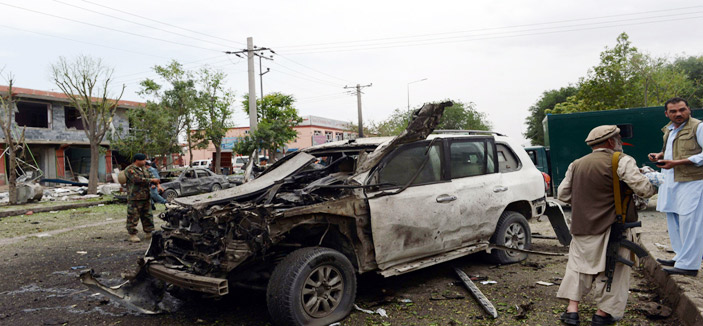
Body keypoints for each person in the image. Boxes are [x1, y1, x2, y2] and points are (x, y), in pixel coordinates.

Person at [556, 125, 655, 326]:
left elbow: (562, 195)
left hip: (582, 227)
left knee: (578, 268)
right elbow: (644, 189)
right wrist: (654, 180)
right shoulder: (622, 160)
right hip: (615, 226)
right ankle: (602, 314)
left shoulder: (576, 164)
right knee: (615, 270)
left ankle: (572, 312)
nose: (620, 142)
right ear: (611, 142)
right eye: (618, 138)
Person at [648, 97, 703, 276]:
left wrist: (678, 162)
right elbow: (673, 149)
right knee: (674, 218)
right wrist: (660, 154)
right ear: (667, 113)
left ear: (689, 109)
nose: (678, 114)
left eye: (682, 110)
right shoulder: (669, 130)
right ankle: (680, 257)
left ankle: (690, 265)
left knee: (691, 222)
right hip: (672, 179)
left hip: (692, 181)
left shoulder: (698, 127)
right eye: (673, 111)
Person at [124, 153, 160, 243]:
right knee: (133, 216)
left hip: (146, 196)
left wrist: (155, 183)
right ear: (137, 160)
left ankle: (149, 232)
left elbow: (150, 177)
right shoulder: (130, 169)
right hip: (135, 197)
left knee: (147, 215)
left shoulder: (144, 169)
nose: (145, 161)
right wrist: (152, 180)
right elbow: (137, 180)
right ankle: (132, 234)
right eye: (143, 160)